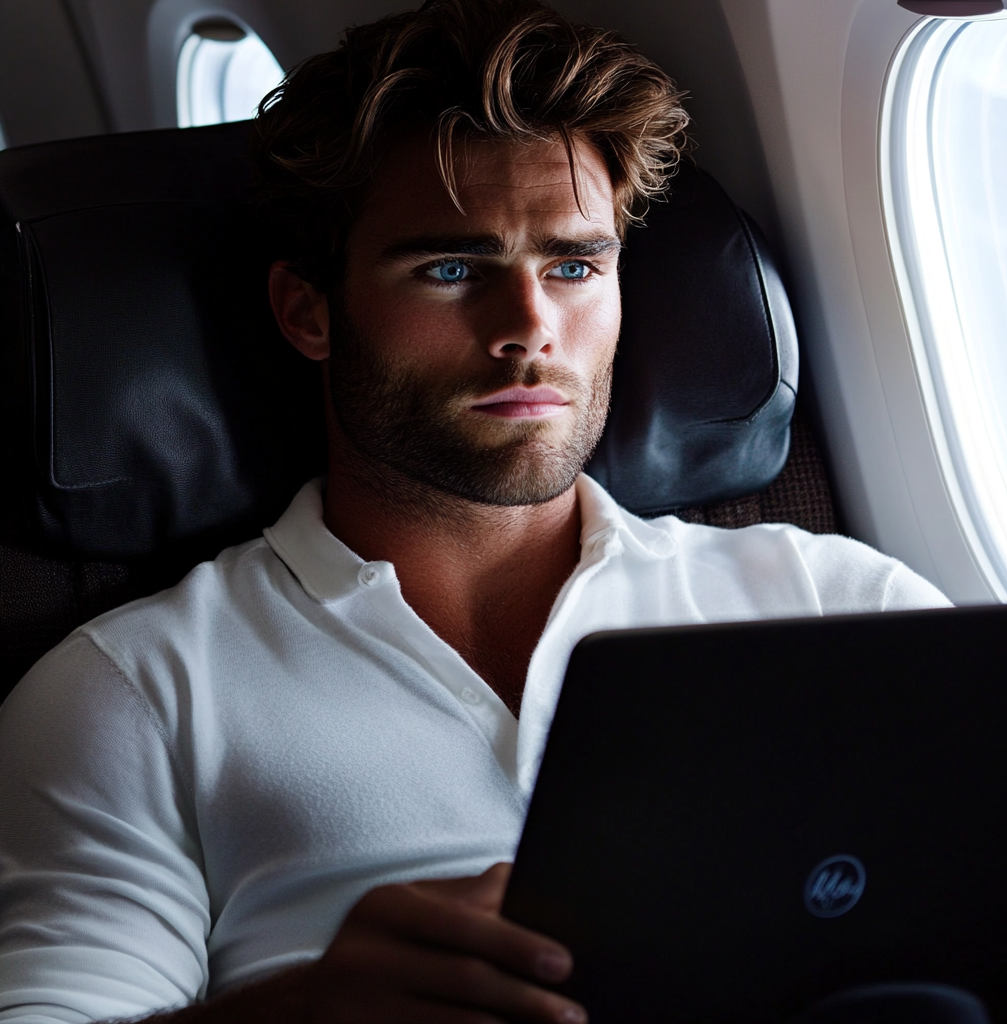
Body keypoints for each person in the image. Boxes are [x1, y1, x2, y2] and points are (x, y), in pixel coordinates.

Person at [0, 1, 951, 1022]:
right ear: (308, 311)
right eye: (452, 268)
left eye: (575, 265)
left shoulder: (843, 605)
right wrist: (298, 1011)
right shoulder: (134, 690)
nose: (529, 329)